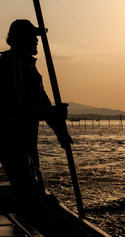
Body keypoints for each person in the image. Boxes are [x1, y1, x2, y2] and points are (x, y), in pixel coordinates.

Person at [0, 19, 72, 235]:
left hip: (25, 141)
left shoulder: (28, 65)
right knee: (29, 194)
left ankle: (41, 216)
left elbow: (43, 103)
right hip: (11, 139)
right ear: (19, 39)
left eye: (37, 36)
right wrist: (52, 113)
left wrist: (61, 132)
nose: (37, 41)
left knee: (35, 188)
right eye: (32, 37)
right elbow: (21, 104)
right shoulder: (12, 63)